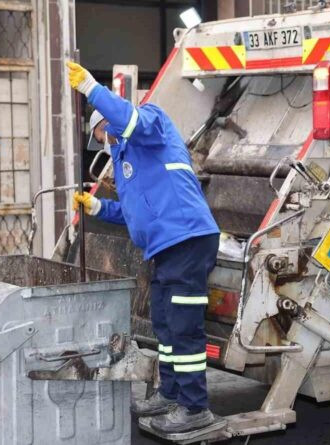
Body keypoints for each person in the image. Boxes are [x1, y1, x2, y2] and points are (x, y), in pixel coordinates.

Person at [67, 61, 221, 434]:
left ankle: (194, 407)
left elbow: (130, 119)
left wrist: (91, 88)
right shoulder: (124, 161)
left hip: (186, 237)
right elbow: (135, 212)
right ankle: (170, 394)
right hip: (165, 246)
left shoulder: (151, 124)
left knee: (183, 327)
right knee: (166, 324)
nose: (104, 139)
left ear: (108, 121)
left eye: (102, 131)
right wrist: (99, 207)